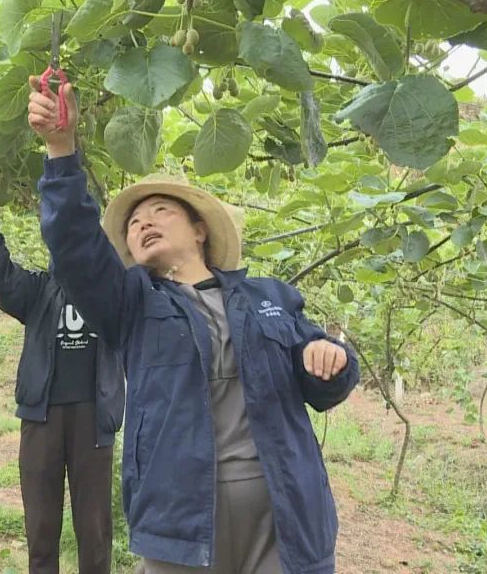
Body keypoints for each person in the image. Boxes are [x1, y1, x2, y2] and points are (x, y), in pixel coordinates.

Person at [26, 78, 359, 574]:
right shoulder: (131, 303)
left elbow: (323, 382)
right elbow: (73, 242)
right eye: (135, 222)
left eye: (161, 211)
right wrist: (60, 147)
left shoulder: (268, 298)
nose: (144, 222)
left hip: (284, 513)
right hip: (179, 521)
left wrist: (332, 360)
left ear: (200, 230)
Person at [0, 200, 125, 574]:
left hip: (94, 418)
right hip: (42, 418)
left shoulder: (110, 293)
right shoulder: (38, 290)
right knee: (41, 526)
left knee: (95, 528)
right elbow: (4, 279)